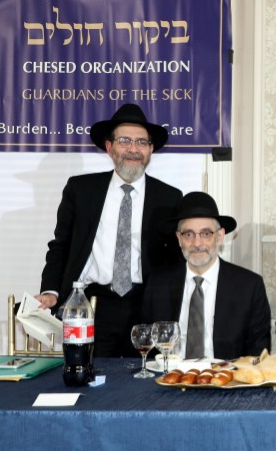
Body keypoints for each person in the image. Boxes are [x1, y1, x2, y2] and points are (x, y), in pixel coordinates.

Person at [35, 103, 183, 357]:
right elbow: (60, 246)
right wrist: (51, 291)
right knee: (89, 374)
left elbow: (175, 259)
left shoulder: (169, 198)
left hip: (147, 306)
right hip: (93, 305)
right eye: (124, 141)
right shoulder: (81, 190)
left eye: (141, 142)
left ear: (150, 150)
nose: (133, 149)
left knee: (146, 375)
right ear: (109, 147)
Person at [141, 192, 271, 359]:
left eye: (206, 234)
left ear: (220, 236)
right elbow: (146, 347)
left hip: (226, 373)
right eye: (188, 234)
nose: (197, 243)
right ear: (179, 239)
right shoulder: (157, 284)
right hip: (169, 373)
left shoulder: (249, 286)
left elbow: (259, 353)